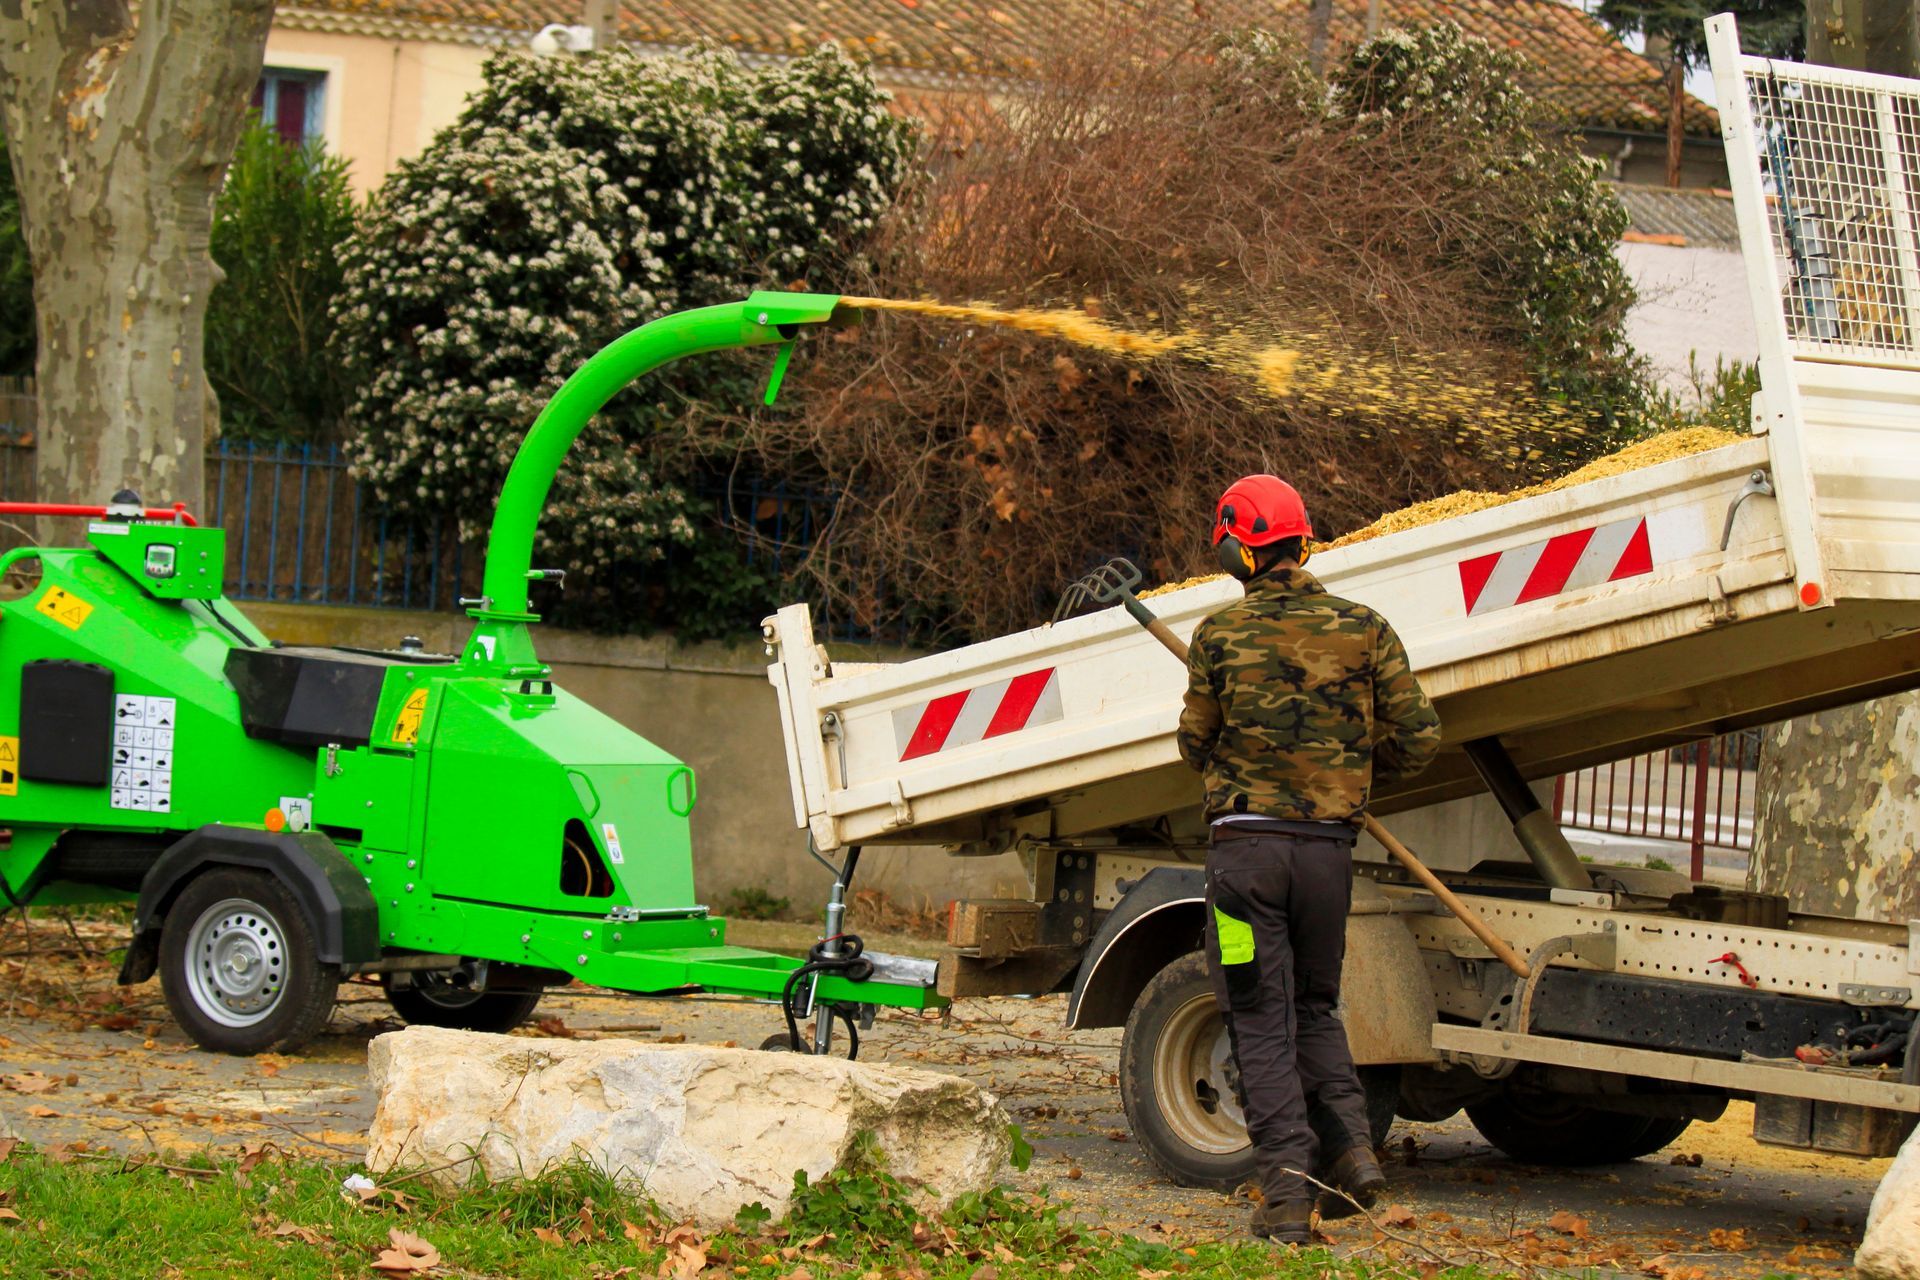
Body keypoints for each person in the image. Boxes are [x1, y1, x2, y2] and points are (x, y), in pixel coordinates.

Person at [1176, 473, 1441, 1246]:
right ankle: (1355, 1157)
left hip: (1243, 868)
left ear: (1236, 547)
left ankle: (1288, 1193)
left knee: (1257, 1014)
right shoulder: (1366, 627)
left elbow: (1194, 744)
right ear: (1303, 540)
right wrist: (1347, 777)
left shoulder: (1218, 635)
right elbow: (1420, 738)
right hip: (1328, 858)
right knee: (1315, 1007)